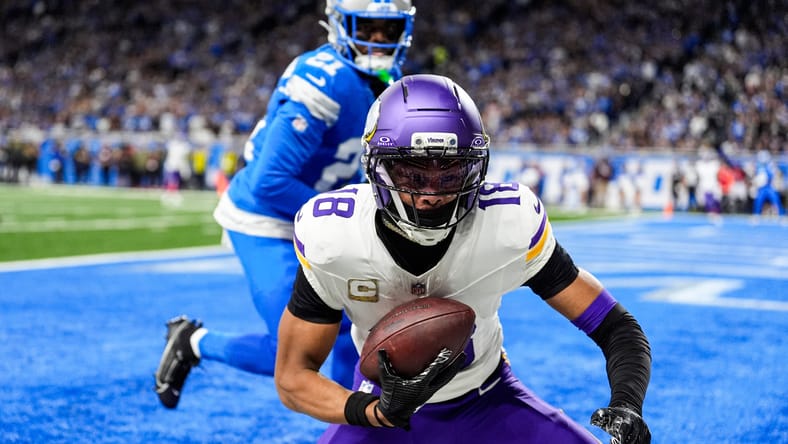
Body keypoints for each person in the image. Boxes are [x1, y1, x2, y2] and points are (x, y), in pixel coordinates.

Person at [275, 74, 652, 443]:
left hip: (488, 402)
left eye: (451, 173)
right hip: (381, 411)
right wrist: (375, 412)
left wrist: (627, 402)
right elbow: (293, 378)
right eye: (411, 173)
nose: (431, 194)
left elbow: (614, 326)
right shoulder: (335, 238)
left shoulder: (508, 225)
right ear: (378, 166)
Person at [154, 0, 417, 408]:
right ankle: (193, 341)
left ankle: (361, 427)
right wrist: (352, 219)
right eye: (367, 27)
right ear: (339, 25)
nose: (379, 40)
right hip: (266, 220)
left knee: (362, 324)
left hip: (325, 211)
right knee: (290, 351)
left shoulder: (388, 76)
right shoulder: (324, 82)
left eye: (389, 28)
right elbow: (270, 183)